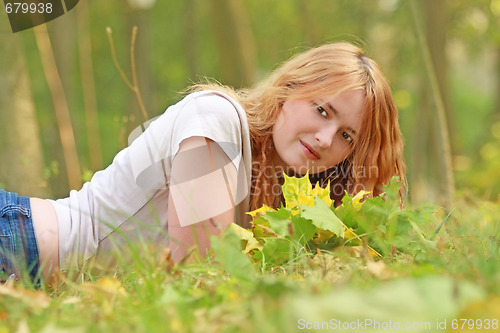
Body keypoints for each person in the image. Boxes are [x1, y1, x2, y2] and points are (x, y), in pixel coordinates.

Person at [0, 42, 406, 285]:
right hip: (18, 244)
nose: (326, 137)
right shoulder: (218, 120)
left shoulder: (285, 192)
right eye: (321, 109)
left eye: (347, 135)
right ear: (290, 89)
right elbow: (196, 273)